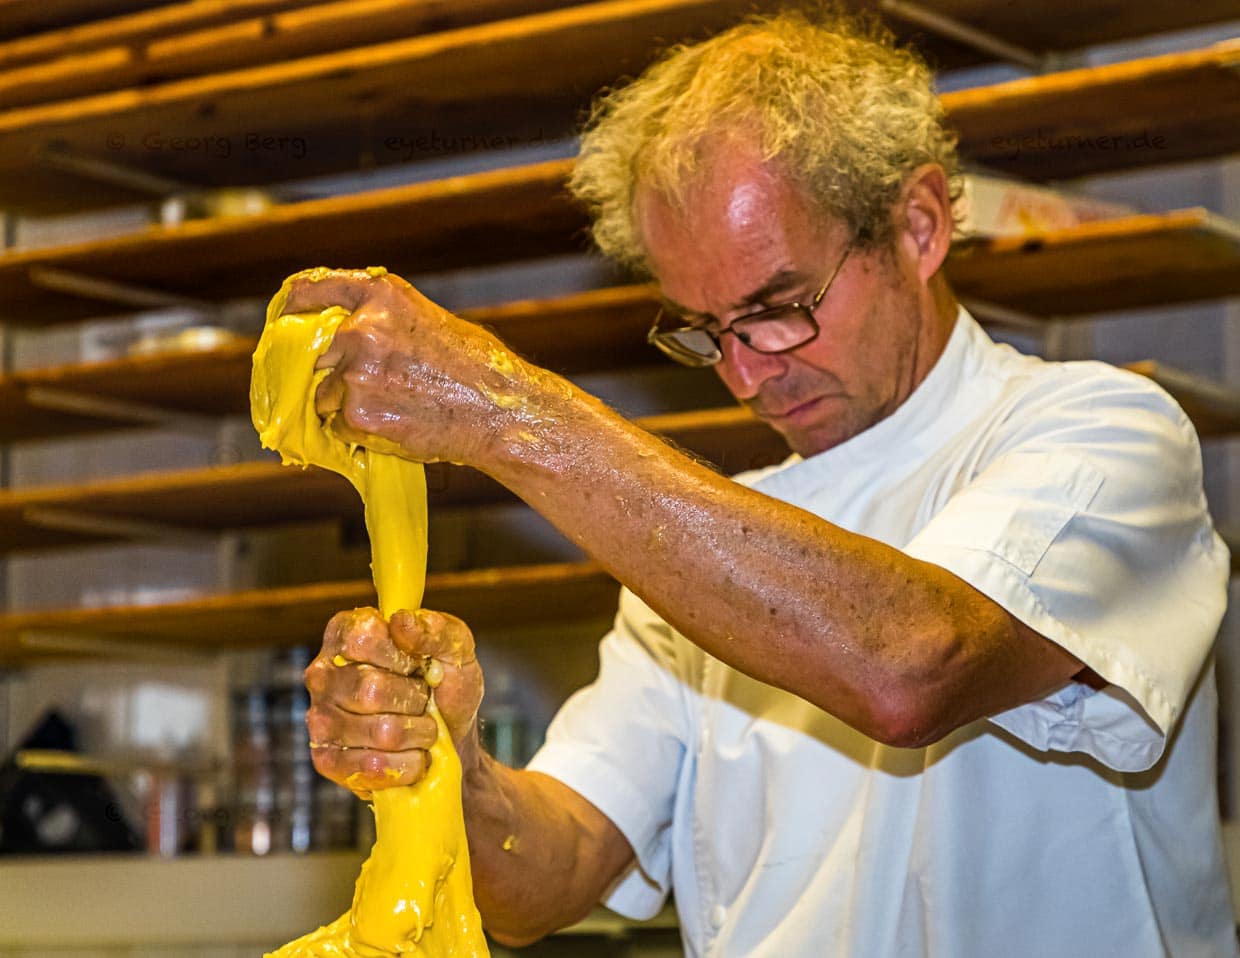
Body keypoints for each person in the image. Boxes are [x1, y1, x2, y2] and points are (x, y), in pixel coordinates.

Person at [290, 9, 1237, 956]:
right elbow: (548, 879)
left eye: (778, 309)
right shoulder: (697, 551)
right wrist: (447, 770)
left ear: (919, 224)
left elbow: (913, 666)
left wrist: (506, 412)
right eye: (705, 329)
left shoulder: (1100, 434)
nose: (746, 374)